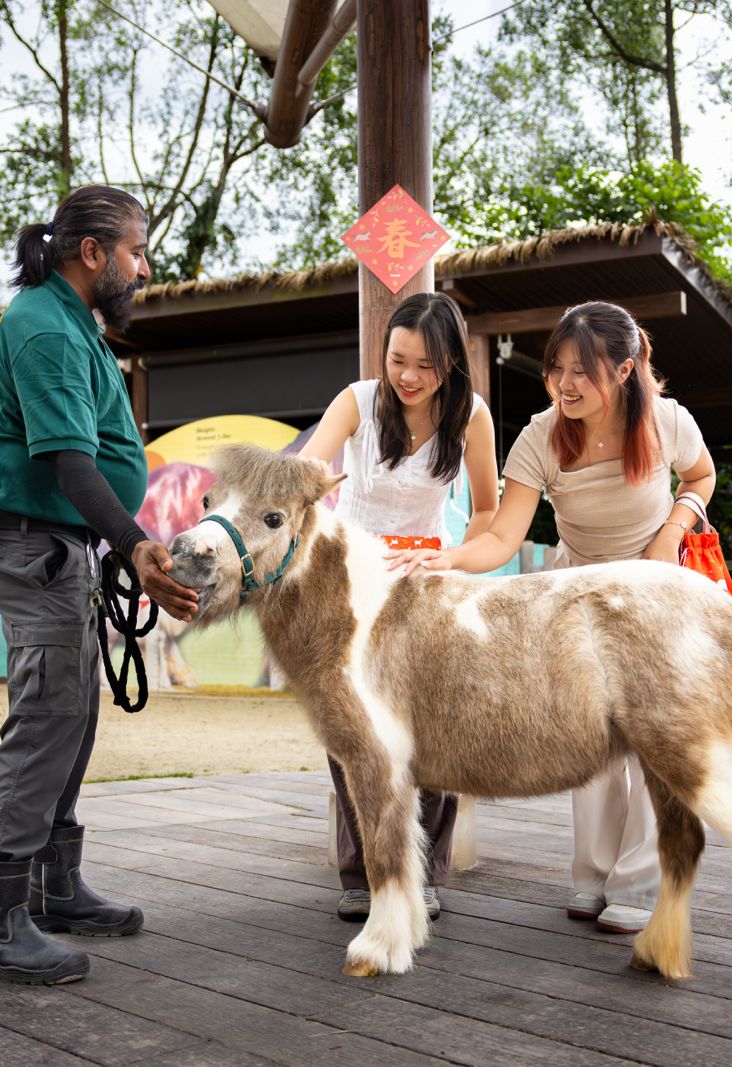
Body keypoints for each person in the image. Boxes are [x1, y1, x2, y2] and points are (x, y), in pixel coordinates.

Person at [389, 301, 717, 935]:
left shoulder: (667, 420)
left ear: (625, 369)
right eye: (556, 368)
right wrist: (447, 559)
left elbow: (701, 477)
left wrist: (673, 530)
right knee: (589, 734)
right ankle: (593, 876)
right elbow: (502, 535)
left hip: (653, 592)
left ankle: (638, 884)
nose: (565, 384)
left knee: (655, 742)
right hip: (581, 595)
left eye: (582, 371)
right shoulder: (541, 435)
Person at [0, 185, 199, 986]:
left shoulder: (72, 323)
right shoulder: (45, 329)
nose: (144, 266)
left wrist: (111, 542)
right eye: (136, 250)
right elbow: (70, 462)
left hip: (61, 546)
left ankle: (52, 887)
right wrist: (135, 543)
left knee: (75, 711)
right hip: (37, 545)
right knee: (48, 714)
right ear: (93, 253)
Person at [298, 291, 499, 922]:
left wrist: (454, 562)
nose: (408, 376)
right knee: (349, 725)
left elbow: (488, 511)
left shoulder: (472, 417)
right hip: (350, 583)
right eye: (398, 360)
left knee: (435, 723)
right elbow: (309, 467)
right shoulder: (357, 402)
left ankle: (423, 872)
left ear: (451, 362)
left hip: (425, 584)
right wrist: (301, 485)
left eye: (425, 365)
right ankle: (362, 871)